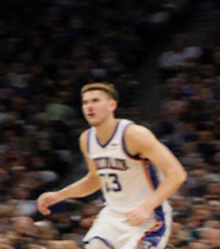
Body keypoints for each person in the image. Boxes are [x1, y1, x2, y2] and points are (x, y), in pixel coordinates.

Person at [36, 83, 188, 249]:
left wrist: (146, 207)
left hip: (147, 217)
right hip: (111, 216)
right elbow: (95, 180)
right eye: (85, 102)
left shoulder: (134, 134)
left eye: (95, 100)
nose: (89, 107)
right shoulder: (87, 139)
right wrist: (59, 195)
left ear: (112, 105)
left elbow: (177, 174)